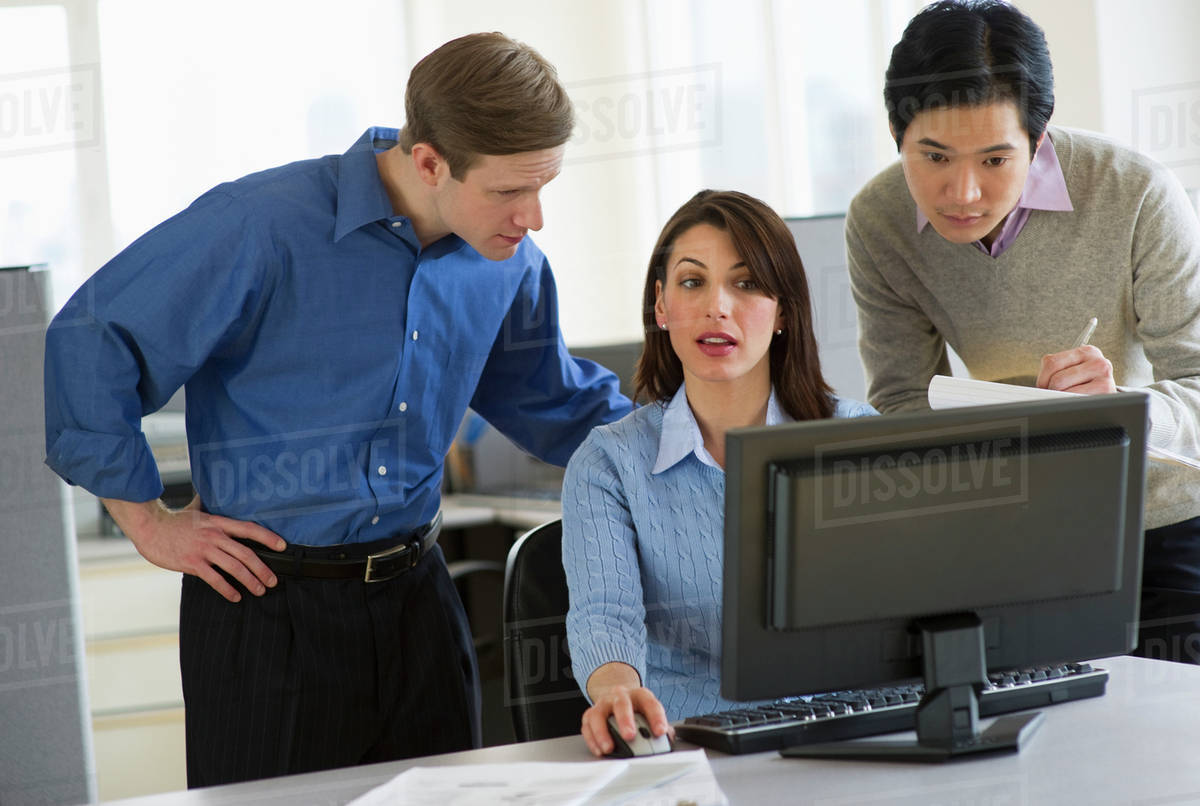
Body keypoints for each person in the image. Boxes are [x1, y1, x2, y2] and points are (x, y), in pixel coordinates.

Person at [44, 33, 631, 786]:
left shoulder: (506, 262)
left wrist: (709, 439)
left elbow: (555, 400)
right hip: (267, 614)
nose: (533, 217)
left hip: (421, 605)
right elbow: (91, 339)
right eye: (509, 191)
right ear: (430, 162)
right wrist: (149, 522)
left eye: (544, 186)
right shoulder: (261, 225)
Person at [847, 0, 1200, 663]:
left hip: (1160, 519)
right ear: (896, 130)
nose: (963, 192)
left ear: (1038, 140)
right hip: (1006, 527)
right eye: (934, 156)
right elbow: (900, 402)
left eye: (994, 160)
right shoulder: (879, 220)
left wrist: (1119, 411)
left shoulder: (1136, 194)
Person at [561, 190, 876, 757]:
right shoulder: (609, 462)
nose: (717, 307)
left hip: (852, 742)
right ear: (661, 307)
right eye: (692, 282)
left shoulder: (857, 438)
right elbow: (604, 615)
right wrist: (616, 690)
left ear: (784, 311)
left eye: (746, 283)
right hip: (694, 751)